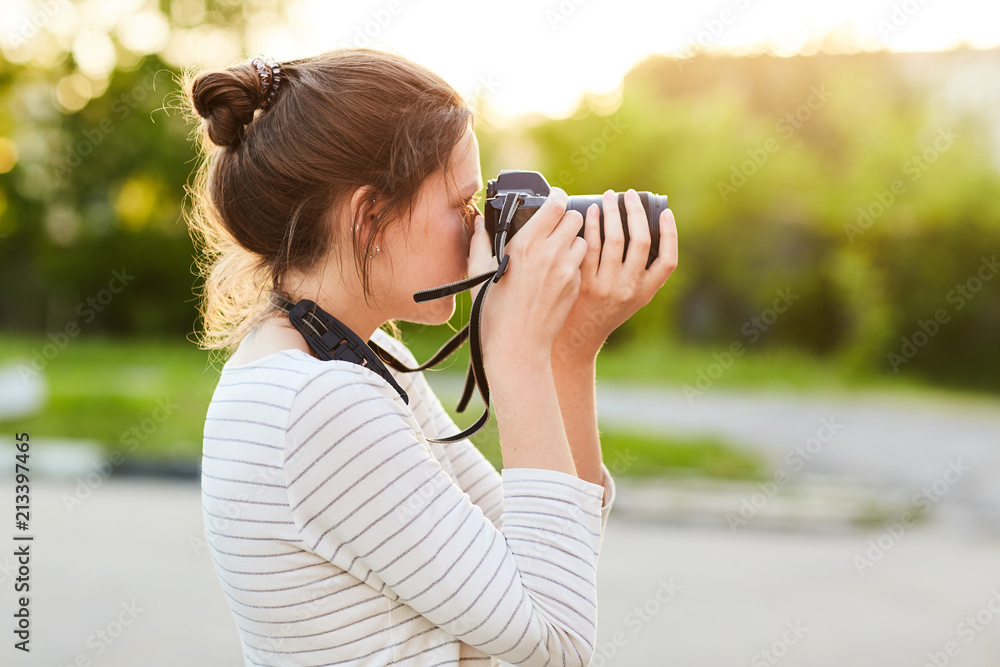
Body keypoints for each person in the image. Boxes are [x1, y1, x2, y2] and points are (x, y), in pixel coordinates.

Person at [184, 48, 677, 666]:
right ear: (371, 220)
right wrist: (518, 350)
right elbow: (557, 643)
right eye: (462, 205)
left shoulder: (350, 360)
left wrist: (570, 353)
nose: (481, 230)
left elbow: (546, 557)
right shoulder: (320, 404)